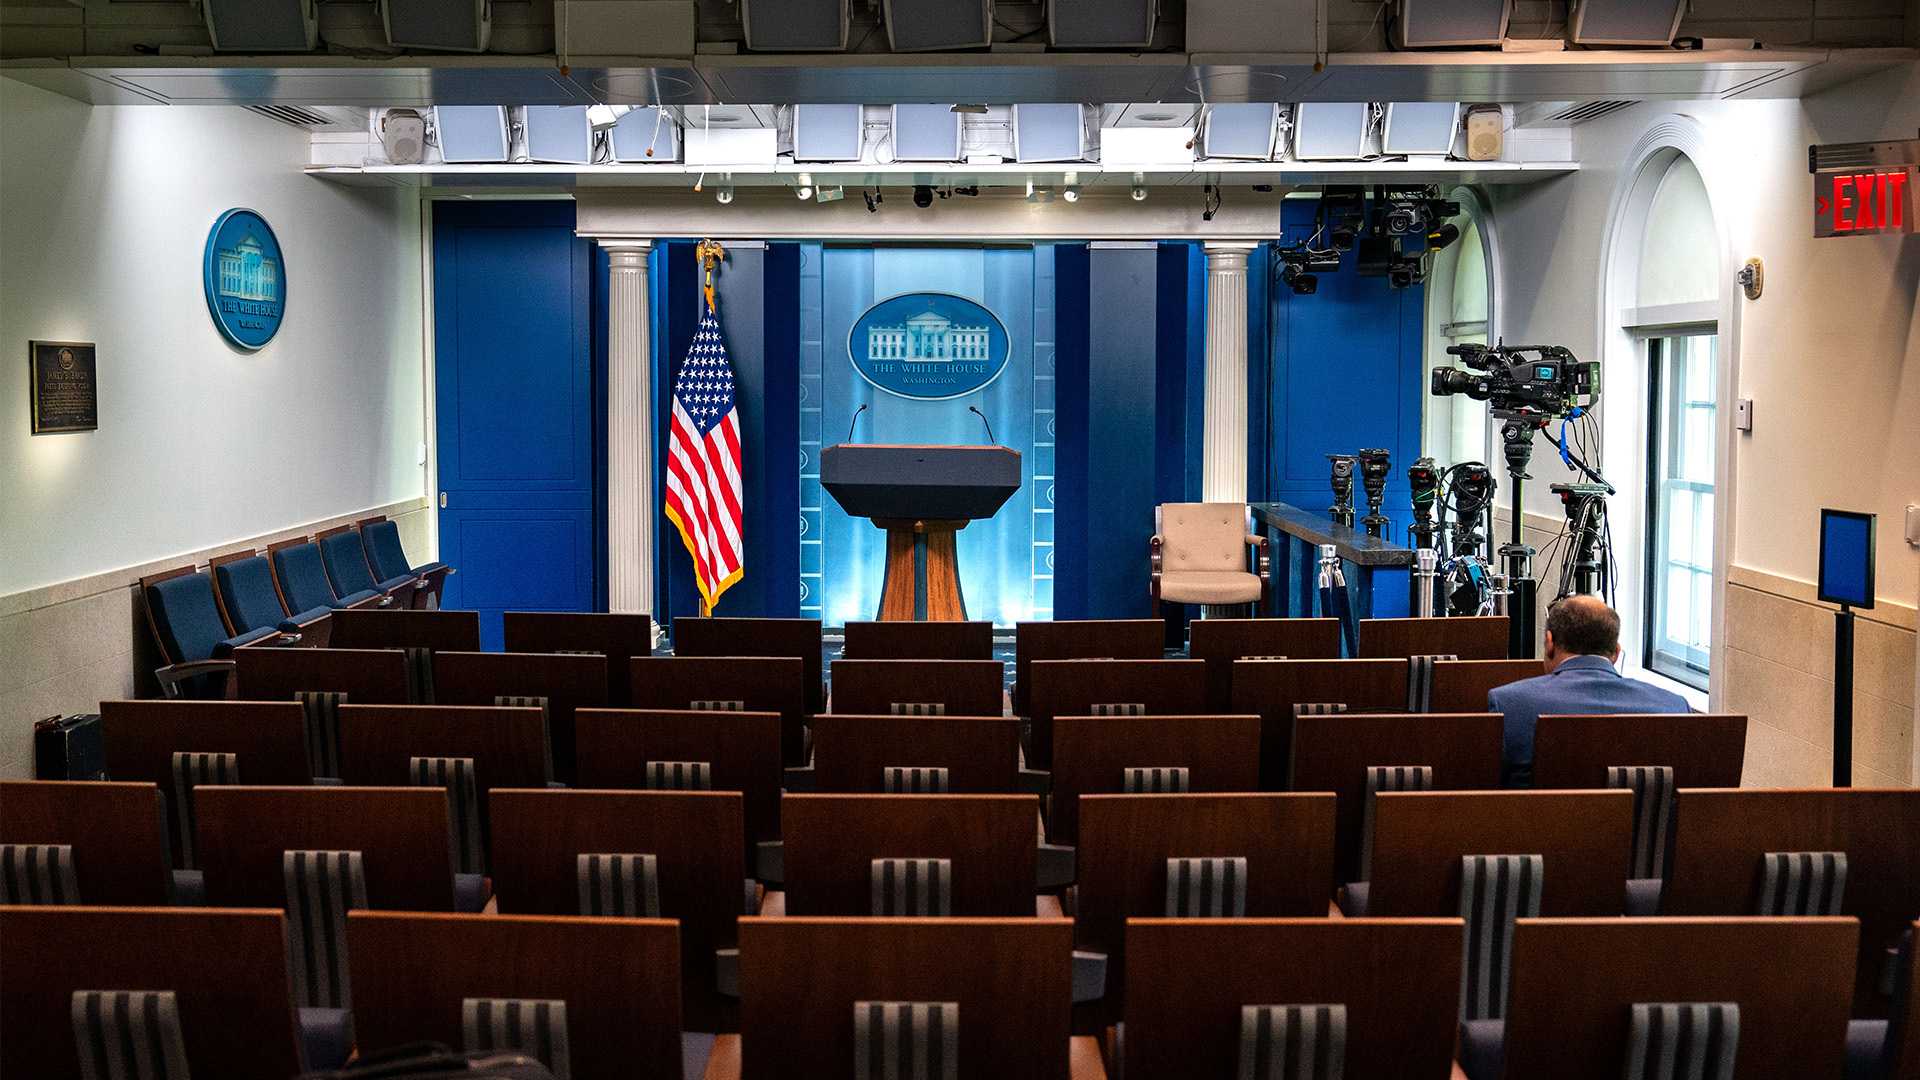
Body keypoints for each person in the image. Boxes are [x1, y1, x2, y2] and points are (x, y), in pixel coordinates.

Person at [1488, 595, 1691, 787]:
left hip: (1540, 823)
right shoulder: (1674, 707)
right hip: (1634, 824)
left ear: (1550, 643)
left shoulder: (1508, 704)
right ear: (1616, 653)